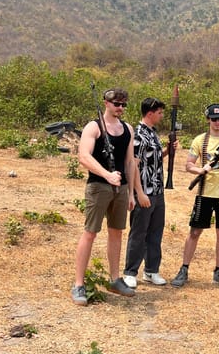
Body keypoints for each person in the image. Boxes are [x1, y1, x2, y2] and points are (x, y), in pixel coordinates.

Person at [71, 87, 136, 306]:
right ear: (106, 103)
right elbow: (84, 156)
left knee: (117, 233)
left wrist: (131, 192)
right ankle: (79, 283)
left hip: (121, 188)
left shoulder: (128, 128)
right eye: (116, 103)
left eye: (123, 104)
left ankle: (115, 279)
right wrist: (107, 175)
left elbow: (129, 161)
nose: (120, 108)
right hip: (99, 186)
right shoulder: (94, 127)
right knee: (90, 233)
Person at [171, 103, 219, 289]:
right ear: (208, 120)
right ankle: (184, 269)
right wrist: (200, 169)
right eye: (213, 119)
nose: (217, 122)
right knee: (194, 231)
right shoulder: (200, 140)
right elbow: (188, 165)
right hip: (204, 192)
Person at [123, 97, 176, 288]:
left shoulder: (152, 133)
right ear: (150, 113)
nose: (162, 116)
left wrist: (166, 151)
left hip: (158, 191)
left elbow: (151, 159)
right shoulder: (138, 134)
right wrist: (139, 192)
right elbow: (133, 164)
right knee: (139, 232)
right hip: (144, 191)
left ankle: (151, 270)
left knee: (155, 232)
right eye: (160, 112)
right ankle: (130, 272)